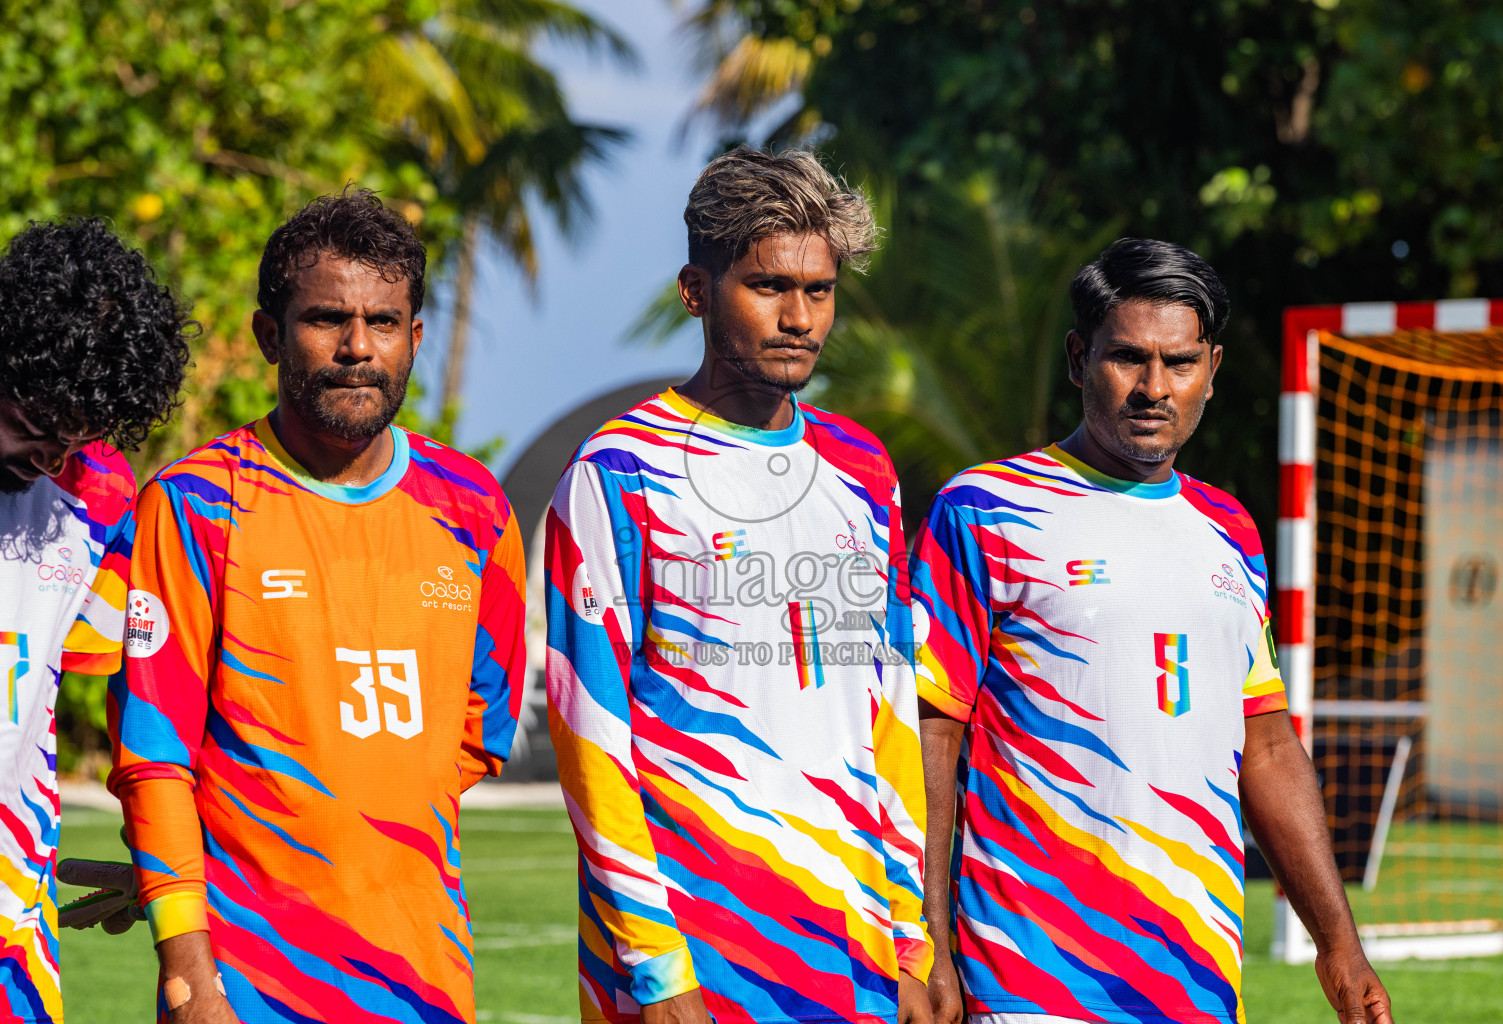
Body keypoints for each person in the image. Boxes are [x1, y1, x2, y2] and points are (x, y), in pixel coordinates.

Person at [912, 239, 1393, 1024]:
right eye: (1128, 358)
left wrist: (1338, 944)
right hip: (1032, 979)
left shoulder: (1230, 529)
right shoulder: (984, 509)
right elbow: (930, 736)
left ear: (1213, 368)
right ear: (1079, 359)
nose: (1154, 388)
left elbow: (1268, 747)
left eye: (1180, 362)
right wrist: (926, 937)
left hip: (1197, 982)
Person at [104, 190, 526, 1023]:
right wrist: (188, 968)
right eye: (327, 319)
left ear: (414, 336)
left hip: (426, 980)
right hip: (242, 985)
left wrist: (352, 828)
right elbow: (153, 753)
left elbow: (480, 732)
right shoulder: (194, 504)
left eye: (384, 322)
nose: (358, 347)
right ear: (270, 335)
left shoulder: (475, 507)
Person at [545, 147, 932, 1024]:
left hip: (855, 955)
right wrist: (654, 966)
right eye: (768, 287)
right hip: (690, 959)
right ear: (696, 290)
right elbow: (589, 732)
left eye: (820, 291)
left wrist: (910, 937)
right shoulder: (618, 470)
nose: (799, 318)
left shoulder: (864, 469)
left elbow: (889, 714)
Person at [0, 218, 192, 1021]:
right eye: (34, 426)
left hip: (11, 916)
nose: (50, 458)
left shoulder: (103, 498)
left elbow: (144, 696)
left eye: (74, 438)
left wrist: (164, 857)